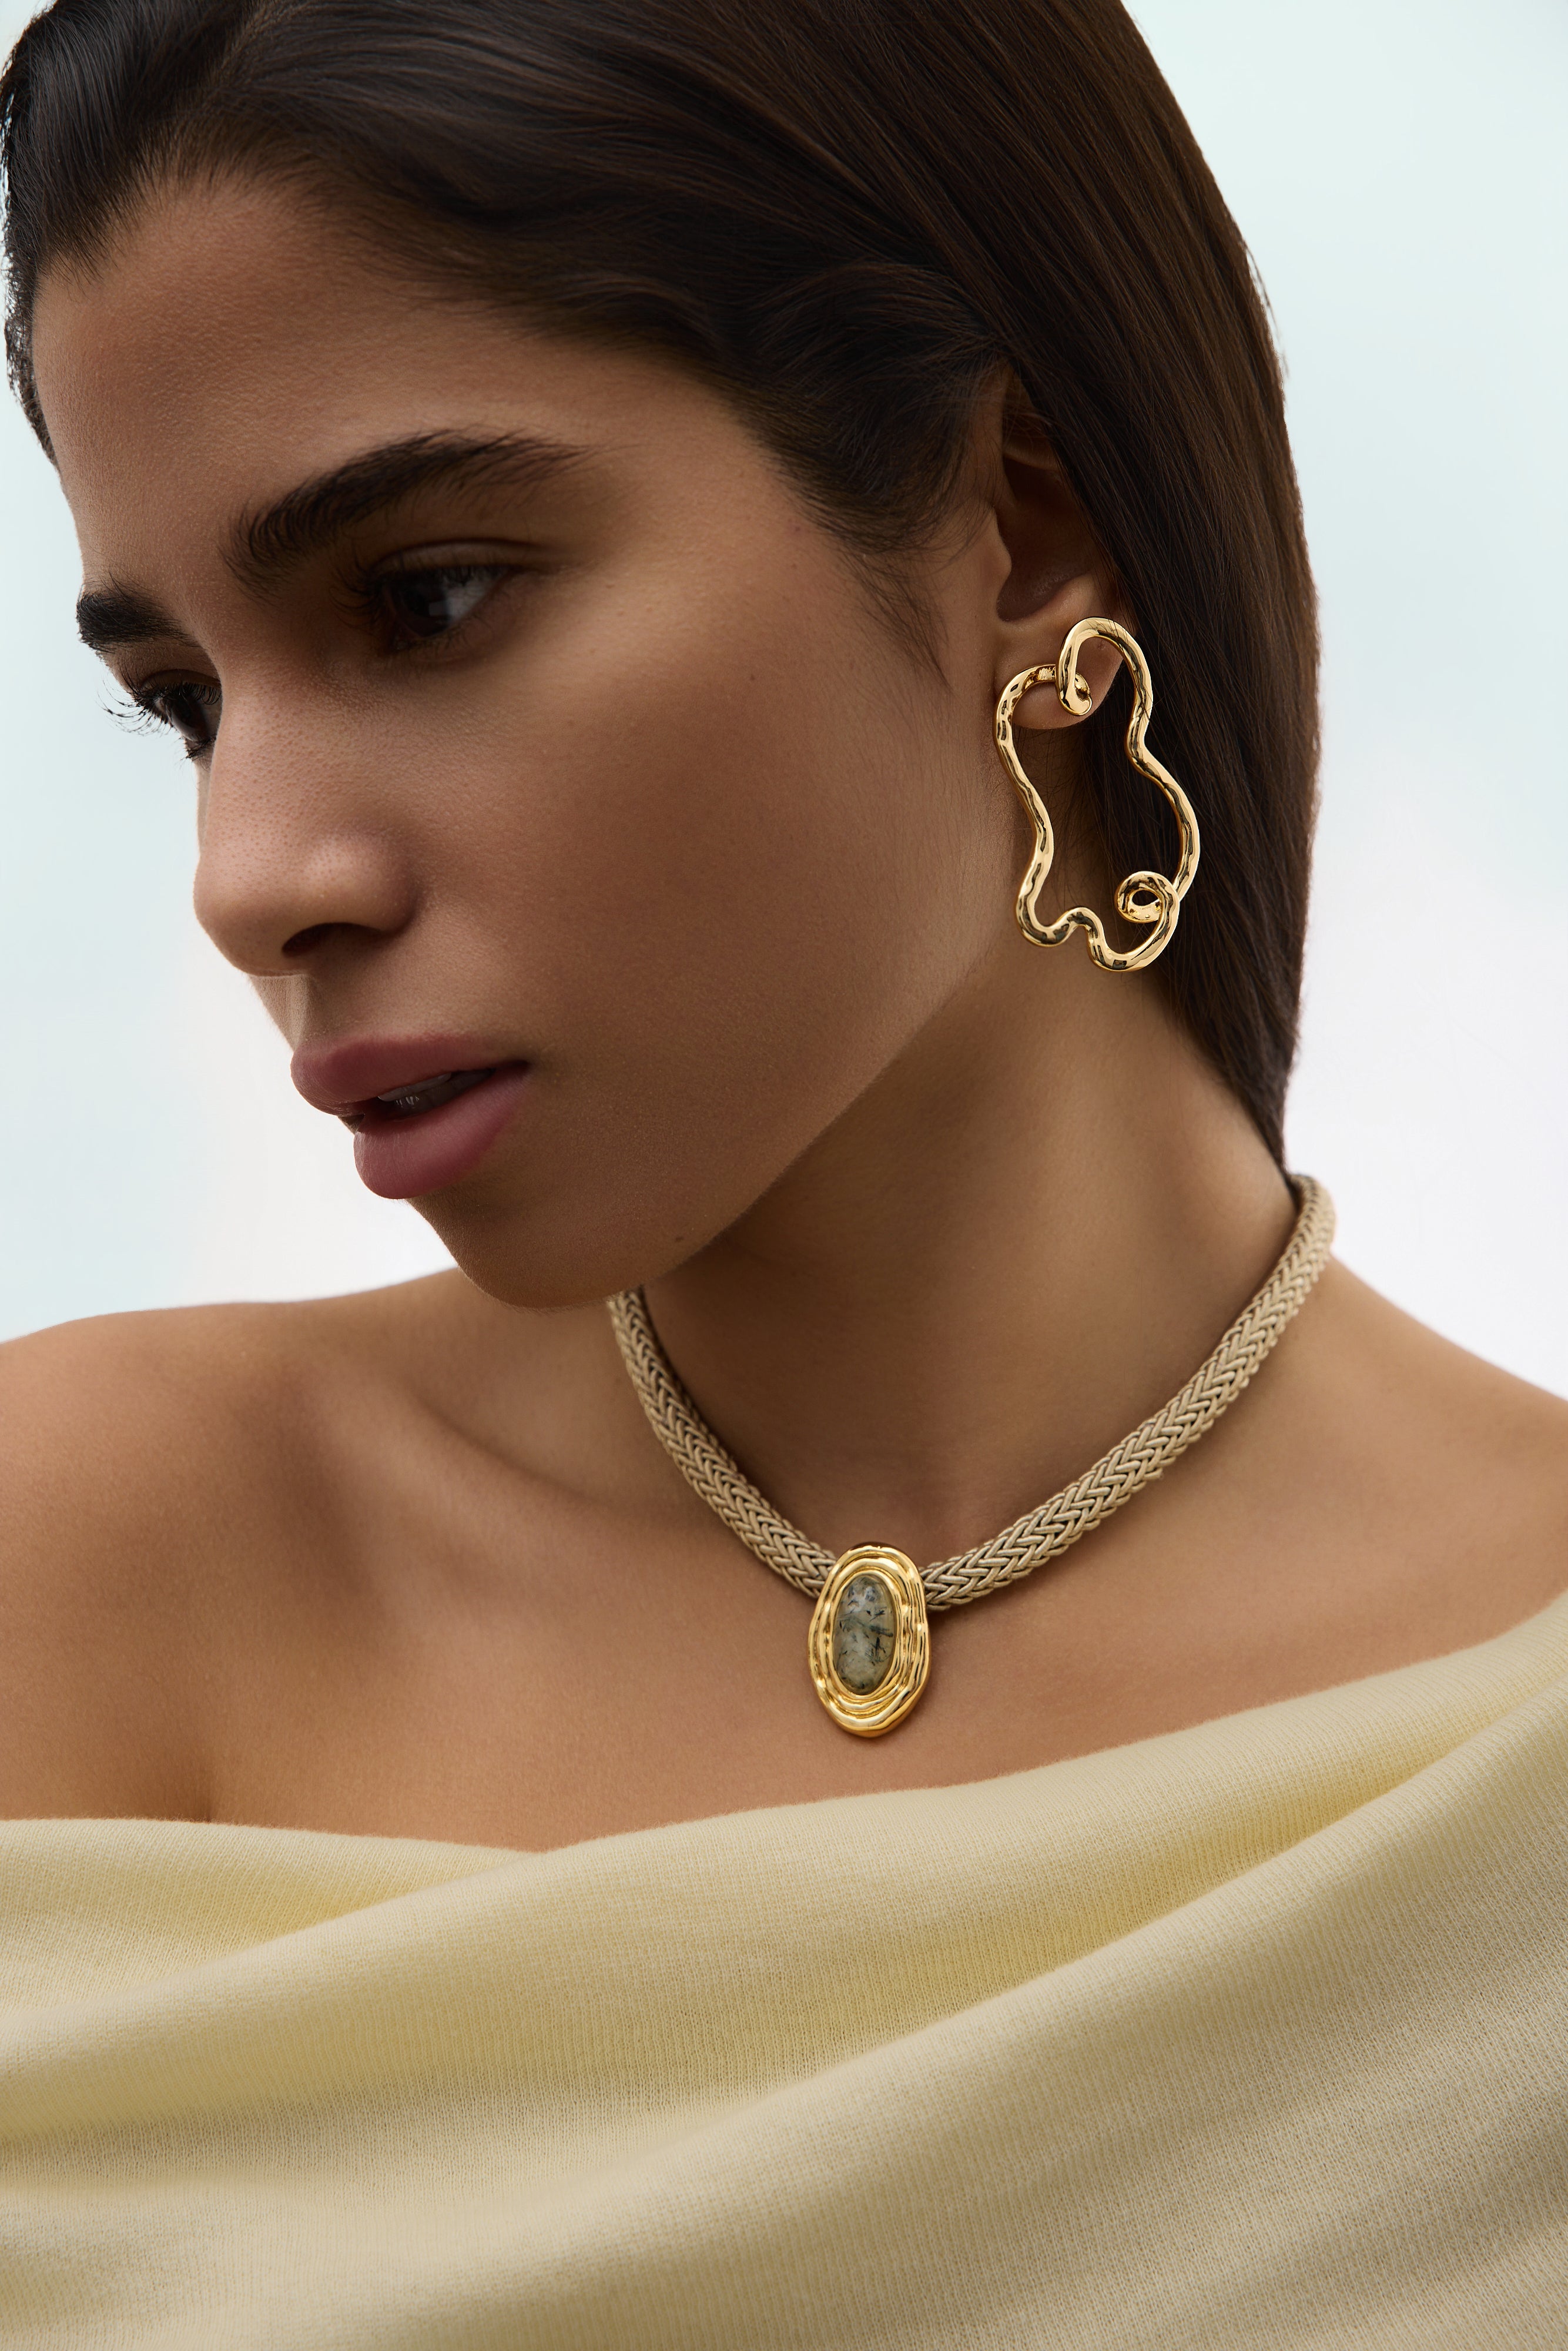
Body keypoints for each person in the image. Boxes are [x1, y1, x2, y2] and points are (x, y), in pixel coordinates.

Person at [1, 0, 1563, 2342]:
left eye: (426, 596)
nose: (253, 875)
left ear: (1015, 521)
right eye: (189, 699)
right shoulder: (81, 1565)